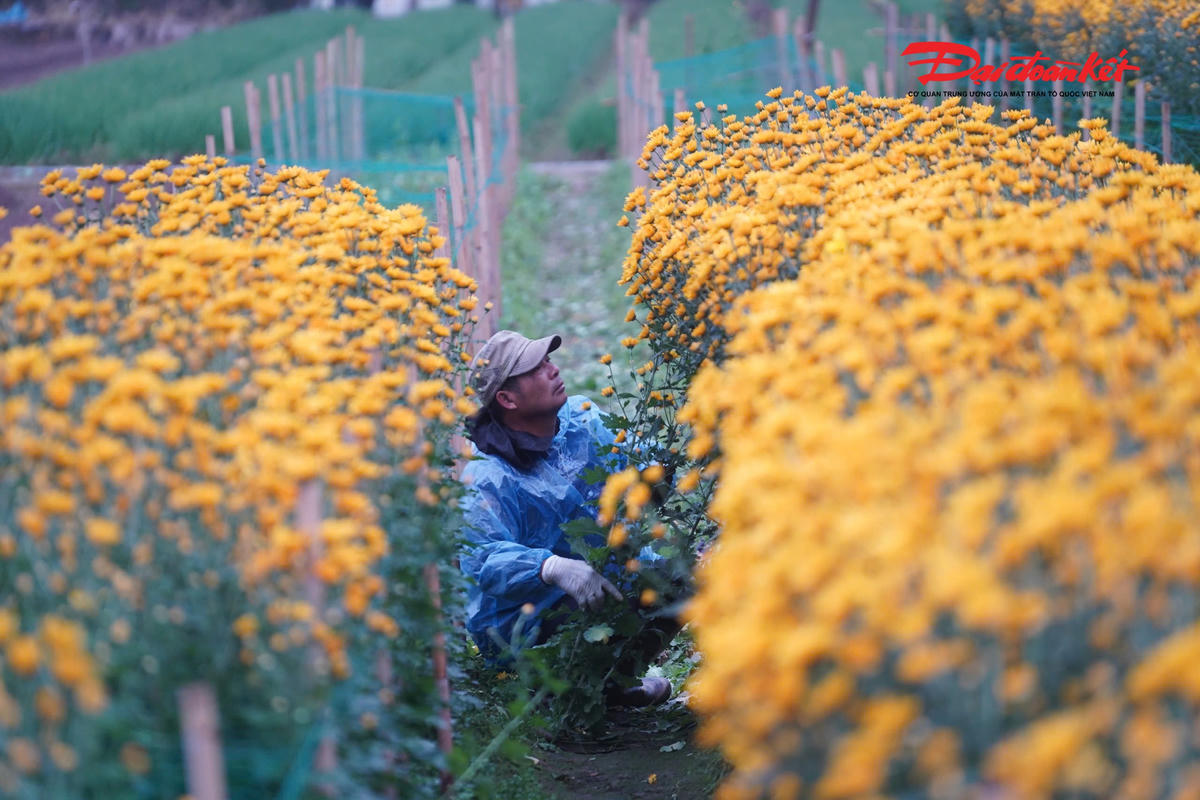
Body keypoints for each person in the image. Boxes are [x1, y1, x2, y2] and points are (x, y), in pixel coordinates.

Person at [458, 329, 675, 707]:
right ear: (507, 398)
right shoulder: (488, 477)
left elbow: (642, 458)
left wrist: (663, 469)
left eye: (548, 361)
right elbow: (482, 560)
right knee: (591, 596)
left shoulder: (582, 420)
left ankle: (611, 686)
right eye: (536, 369)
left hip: (603, 580)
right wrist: (551, 566)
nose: (553, 370)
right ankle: (552, 695)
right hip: (524, 626)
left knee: (680, 579)